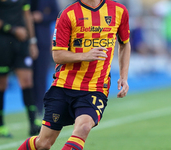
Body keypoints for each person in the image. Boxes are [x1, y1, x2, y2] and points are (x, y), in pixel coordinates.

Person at [18, 0, 131, 149]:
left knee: (83, 127)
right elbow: (57, 55)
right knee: (43, 143)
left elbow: (124, 43)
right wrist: (85, 55)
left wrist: (123, 76)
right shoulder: (68, 14)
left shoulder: (119, 11)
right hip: (64, 86)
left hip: (95, 87)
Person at [0, 0, 40, 137]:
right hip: (2, 43)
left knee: (27, 81)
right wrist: (13, 30)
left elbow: (26, 15)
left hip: (21, 43)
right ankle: (1, 126)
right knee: (2, 85)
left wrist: (32, 41)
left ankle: (33, 123)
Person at [30, 0, 60, 126]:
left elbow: (56, 14)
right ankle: (30, 108)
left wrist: (42, 16)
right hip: (25, 42)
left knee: (41, 77)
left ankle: (39, 108)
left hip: (43, 41)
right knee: (28, 79)